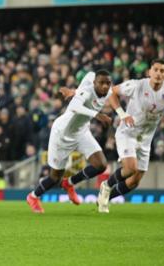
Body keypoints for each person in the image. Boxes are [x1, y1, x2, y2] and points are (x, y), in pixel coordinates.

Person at [98, 59, 164, 213]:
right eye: (156, 70)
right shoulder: (138, 85)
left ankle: (106, 197)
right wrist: (122, 114)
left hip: (145, 138)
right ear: (150, 72)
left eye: (162, 71)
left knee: (134, 181)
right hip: (128, 132)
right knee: (130, 168)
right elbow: (112, 92)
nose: (158, 73)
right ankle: (106, 185)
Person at [26, 70, 113, 213]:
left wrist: (75, 91)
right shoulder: (87, 92)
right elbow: (74, 107)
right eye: (101, 83)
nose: (105, 86)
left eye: (107, 83)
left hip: (82, 132)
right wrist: (97, 115)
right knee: (55, 177)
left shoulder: (100, 84)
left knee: (101, 165)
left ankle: (69, 183)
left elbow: (90, 74)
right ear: (94, 83)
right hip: (62, 135)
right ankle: (33, 196)